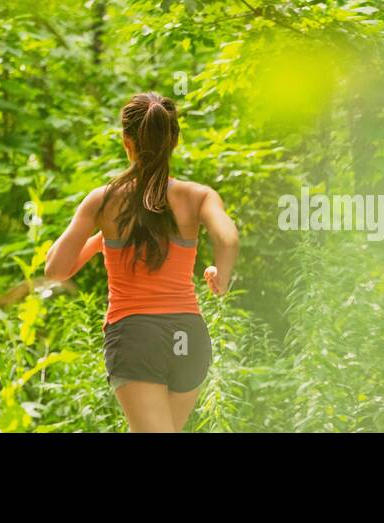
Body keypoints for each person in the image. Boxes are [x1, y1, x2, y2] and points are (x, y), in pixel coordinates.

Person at [44, 92, 239, 433]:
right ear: (174, 140)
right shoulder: (198, 196)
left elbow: (56, 269)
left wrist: (101, 237)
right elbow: (228, 238)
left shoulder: (104, 200)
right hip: (187, 336)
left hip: (136, 336)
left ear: (127, 142)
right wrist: (220, 275)